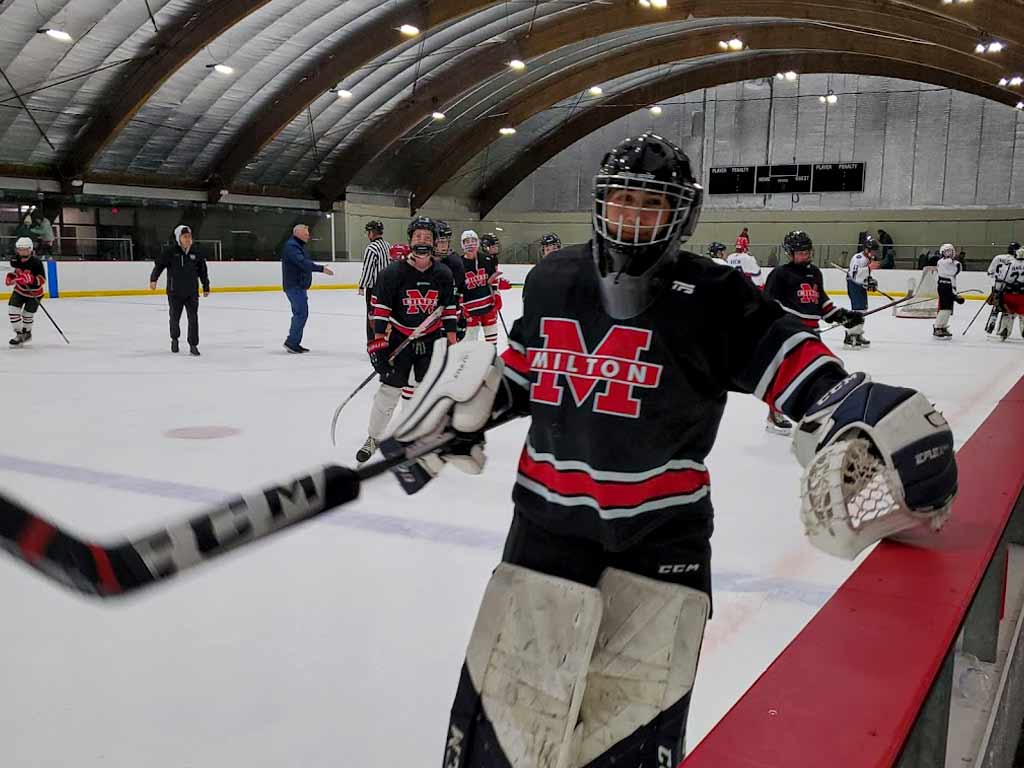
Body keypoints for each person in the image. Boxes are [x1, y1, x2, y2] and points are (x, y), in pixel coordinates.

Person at [374, 133, 957, 768]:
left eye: (649, 204)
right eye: (620, 201)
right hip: (544, 531)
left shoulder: (716, 298)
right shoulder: (553, 281)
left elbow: (795, 364)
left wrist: (851, 403)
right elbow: (526, 373)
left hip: (662, 544)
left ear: (680, 215)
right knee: (500, 742)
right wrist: (468, 409)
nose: (631, 218)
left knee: (621, 745)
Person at [355, 217, 458, 463]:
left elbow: (449, 309)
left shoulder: (443, 273)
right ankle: (373, 437)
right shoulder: (393, 272)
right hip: (399, 338)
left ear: (433, 242)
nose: (422, 241)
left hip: (430, 339)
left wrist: (452, 344)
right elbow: (380, 311)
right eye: (418, 236)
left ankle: (415, 434)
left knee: (423, 392)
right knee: (389, 391)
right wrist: (378, 345)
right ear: (410, 239)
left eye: (427, 237)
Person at [763, 230, 863, 434]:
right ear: (789, 253)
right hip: (789, 334)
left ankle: (814, 412)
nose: (805, 255)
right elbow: (768, 305)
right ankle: (774, 416)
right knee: (784, 376)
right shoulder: (780, 274)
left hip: (813, 333)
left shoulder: (815, 273)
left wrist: (843, 316)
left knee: (818, 374)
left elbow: (822, 304)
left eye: (807, 252)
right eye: (800, 252)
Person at [149, 225, 210, 356]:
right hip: (174, 292)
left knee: (193, 318)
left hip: (192, 292)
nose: (188, 239)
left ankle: (193, 345)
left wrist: (206, 286)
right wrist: (153, 279)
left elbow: (203, 271)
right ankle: (175, 339)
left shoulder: (196, 252)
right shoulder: (170, 251)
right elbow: (159, 265)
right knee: (174, 318)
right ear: (179, 238)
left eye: (189, 237)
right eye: (185, 237)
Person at [280, 223, 334, 353]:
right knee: (301, 313)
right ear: (297, 233)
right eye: (306, 233)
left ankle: (294, 342)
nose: (308, 236)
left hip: (299, 286)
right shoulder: (292, 247)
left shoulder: (297, 246)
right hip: (294, 286)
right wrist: (321, 269)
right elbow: (302, 263)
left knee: (300, 313)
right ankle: (292, 342)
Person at [460, 229, 501, 344]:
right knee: (470, 342)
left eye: (473, 241)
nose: (470, 244)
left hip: (489, 307)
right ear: (462, 245)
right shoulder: (459, 263)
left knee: (492, 342)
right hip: (470, 310)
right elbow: (458, 288)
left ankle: (491, 359)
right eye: (467, 242)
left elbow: (493, 280)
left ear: (478, 243)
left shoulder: (487, 260)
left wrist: (497, 295)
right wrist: (461, 306)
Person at [5, 237, 45, 346]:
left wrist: (32, 280)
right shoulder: (14, 260)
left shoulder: (36, 263)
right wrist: (11, 277)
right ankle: (19, 334)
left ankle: (27, 333)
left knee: (27, 315)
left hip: (34, 294)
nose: (22, 251)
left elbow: (42, 280)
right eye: (20, 249)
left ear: (30, 249)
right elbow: (16, 272)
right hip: (19, 290)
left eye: (25, 249)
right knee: (12, 310)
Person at [358, 220, 392, 342]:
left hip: (374, 289)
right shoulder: (388, 246)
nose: (368, 235)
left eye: (368, 232)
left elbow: (368, 269)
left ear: (372, 233)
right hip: (388, 288)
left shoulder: (371, 248)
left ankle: (373, 343)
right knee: (385, 315)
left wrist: (362, 285)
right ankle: (385, 340)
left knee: (372, 316)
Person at [844, 236, 879, 348]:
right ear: (866, 249)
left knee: (862, 310)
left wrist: (870, 281)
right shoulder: (858, 258)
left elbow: (863, 276)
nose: (874, 253)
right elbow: (855, 275)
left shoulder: (868, 259)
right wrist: (869, 269)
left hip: (859, 286)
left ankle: (857, 334)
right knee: (858, 311)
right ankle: (850, 336)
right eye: (872, 250)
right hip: (854, 286)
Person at [436, 221, 468, 341]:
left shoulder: (455, 263)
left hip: (449, 321)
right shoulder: (423, 263)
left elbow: (459, 291)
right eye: (440, 242)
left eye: (446, 242)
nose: (444, 246)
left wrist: (459, 317)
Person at [984, 243, 1018, 334]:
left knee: (996, 306)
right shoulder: (1016, 261)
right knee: (1007, 306)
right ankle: (1003, 328)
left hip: (997, 285)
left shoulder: (998, 257)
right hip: (1009, 287)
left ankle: (992, 322)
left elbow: (990, 272)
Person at [933, 243, 964, 340]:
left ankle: (942, 326)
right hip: (944, 286)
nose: (949, 253)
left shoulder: (951, 262)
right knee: (944, 308)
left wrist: (955, 294)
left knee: (947, 309)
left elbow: (957, 270)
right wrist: (955, 296)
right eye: (946, 251)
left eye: (950, 251)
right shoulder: (943, 262)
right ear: (942, 253)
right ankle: (937, 327)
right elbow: (957, 267)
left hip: (949, 286)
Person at [992, 247, 1024, 341]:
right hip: (1022, 295)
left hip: (1009, 294)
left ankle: (1004, 329)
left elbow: (1003, 278)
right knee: (1022, 314)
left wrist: (998, 292)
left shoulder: (1009, 264)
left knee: (1008, 313)